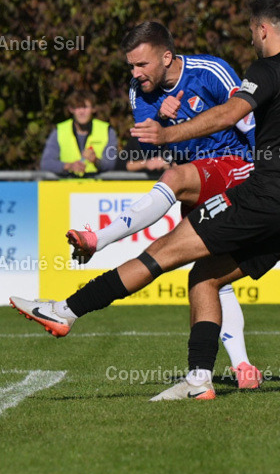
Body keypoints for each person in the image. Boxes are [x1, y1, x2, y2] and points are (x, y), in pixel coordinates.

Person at [12, 0, 280, 400]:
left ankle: (66, 311)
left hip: (259, 197)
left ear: (263, 29)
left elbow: (230, 113)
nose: (251, 39)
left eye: (252, 32)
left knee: (160, 253)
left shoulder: (266, 69)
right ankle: (199, 380)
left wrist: (169, 133)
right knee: (205, 277)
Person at [67, 21, 262, 388]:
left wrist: (268, 173)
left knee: (172, 181)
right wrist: (160, 117)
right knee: (210, 276)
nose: (135, 73)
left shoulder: (211, 72)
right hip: (196, 180)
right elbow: (147, 143)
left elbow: (249, 121)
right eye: (131, 66)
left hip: (234, 170)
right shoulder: (139, 91)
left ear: (167, 57)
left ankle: (99, 239)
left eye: (142, 65)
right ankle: (239, 368)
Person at [40, 90, 118, 176]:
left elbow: (112, 164)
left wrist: (96, 161)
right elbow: (46, 163)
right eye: (77, 107)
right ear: (71, 109)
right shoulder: (59, 131)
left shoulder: (107, 131)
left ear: (93, 109)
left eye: (85, 107)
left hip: (96, 186)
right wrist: (68, 166)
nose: (81, 112)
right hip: (68, 186)